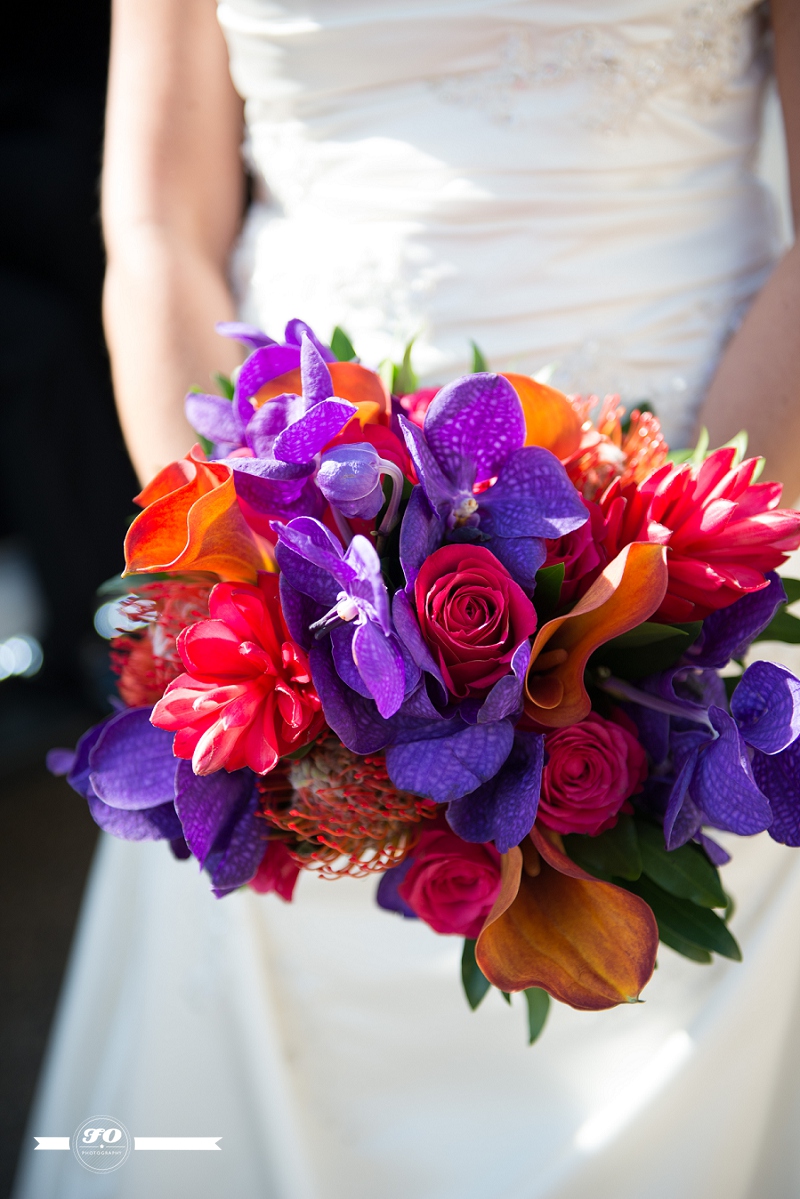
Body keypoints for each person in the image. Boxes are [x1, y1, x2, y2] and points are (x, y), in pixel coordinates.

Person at [14, 2, 800, 1198]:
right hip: (296, 512)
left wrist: (658, 592)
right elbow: (160, 224)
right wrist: (241, 580)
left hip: (710, 484)